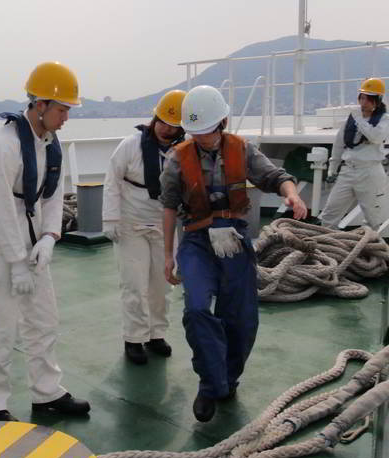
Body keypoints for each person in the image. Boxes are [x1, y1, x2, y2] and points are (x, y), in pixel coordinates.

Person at [160, 85, 307, 423]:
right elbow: (168, 207)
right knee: (197, 309)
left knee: (240, 317)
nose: (202, 138)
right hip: (197, 241)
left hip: (235, 239)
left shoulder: (243, 150)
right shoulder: (177, 159)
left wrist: (292, 195)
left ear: (223, 122)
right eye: (195, 132)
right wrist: (168, 254)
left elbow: (276, 177)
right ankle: (210, 384)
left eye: (208, 130)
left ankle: (229, 379)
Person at [0, 61, 90, 422]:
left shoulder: (50, 144)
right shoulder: (3, 146)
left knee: (44, 319)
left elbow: (52, 196)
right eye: (62, 109)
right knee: (0, 324)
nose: (66, 117)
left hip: (33, 241)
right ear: (40, 105)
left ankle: (47, 393)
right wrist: (15, 262)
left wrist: (50, 237)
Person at [102, 90, 185, 365]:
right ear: (155, 118)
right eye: (163, 122)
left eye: (173, 125)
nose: (166, 129)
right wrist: (110, 219)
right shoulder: (130, 145)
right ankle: (134, 338)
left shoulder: (183, 152)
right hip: (131, 224)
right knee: (134, 284)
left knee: (162, 284)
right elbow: (112, 180)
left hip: (164, 225)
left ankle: (156, 334)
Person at [319, 77, 389, 230]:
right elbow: (339, 144)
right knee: (329, 214)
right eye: (362, 98)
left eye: (368, 99)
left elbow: (376, 137)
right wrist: (333, 168)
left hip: (370, 172)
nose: (364, 102)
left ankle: (370, 243)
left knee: (373, 218)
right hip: (348, 171)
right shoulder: (351, 119)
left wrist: (360, 120)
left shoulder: (384, 119)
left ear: (377, 100)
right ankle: (328, 242)